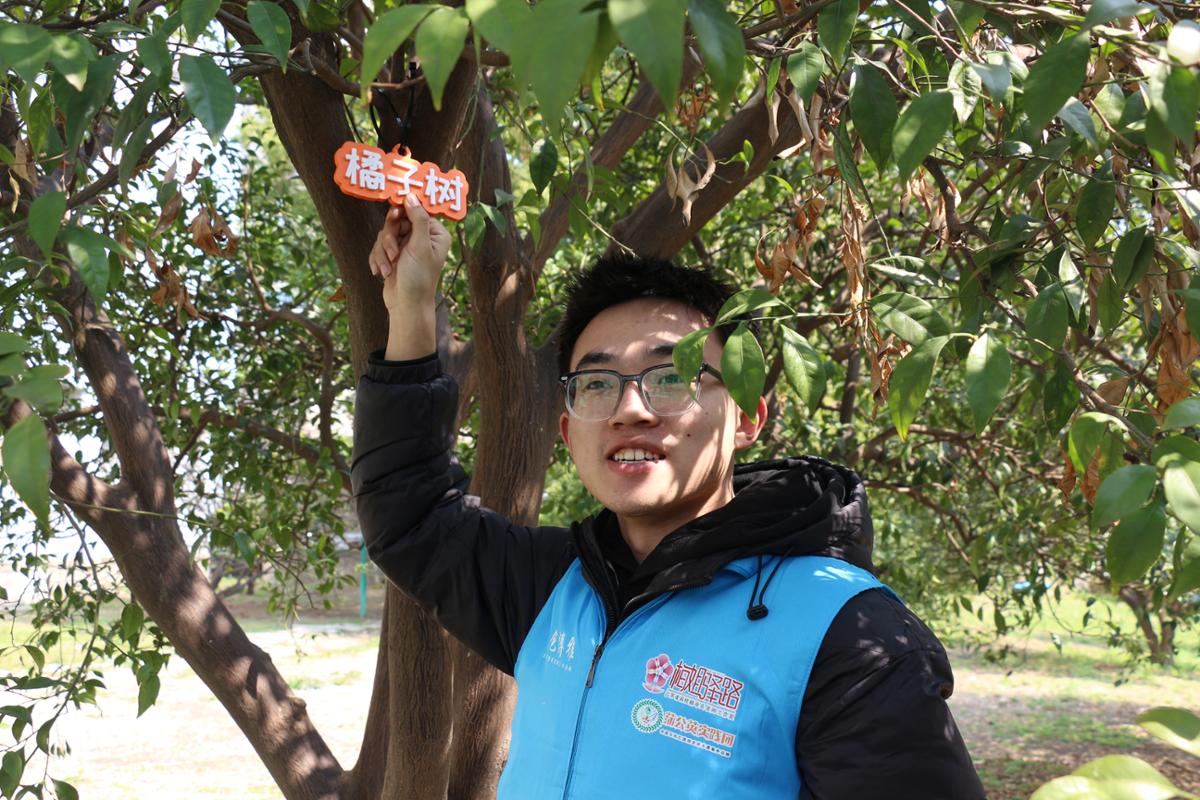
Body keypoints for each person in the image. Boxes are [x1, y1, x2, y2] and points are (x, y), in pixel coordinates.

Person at [353, 196, 985, 798]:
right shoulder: (552, 589)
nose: (630, 408)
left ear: (746, 417)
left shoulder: (847, 631)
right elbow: (409, 511)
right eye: (597, 383)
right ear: (569, 431)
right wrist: (411, 306)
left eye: (673, 375)